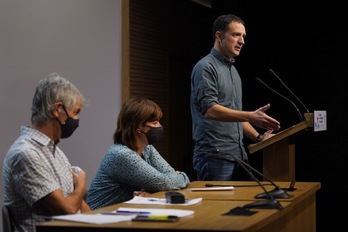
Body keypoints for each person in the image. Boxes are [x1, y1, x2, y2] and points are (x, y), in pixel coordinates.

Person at [190, 14, 281, 181]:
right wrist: (251, 116)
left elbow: (234, 114)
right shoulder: (205, 67)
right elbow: (210, 110)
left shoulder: (234, 71)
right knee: (218, 207)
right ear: (219, 36)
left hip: (238, 155)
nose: (242, 41)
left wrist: (259, 138)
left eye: (243, 36)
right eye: (236, 35)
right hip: (215, 156)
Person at [3, 73, 90, 232]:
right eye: (76, 112)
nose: (77, 120)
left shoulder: (54, 150)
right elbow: (68, 211)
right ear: (58, 110)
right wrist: (81, 185)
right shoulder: (26, 153)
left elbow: (79, 207)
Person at [86, 97, 190, 210]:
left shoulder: (147, 149)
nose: (160, 126)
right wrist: (182, 176)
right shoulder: (121, 154)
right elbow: (164, 183)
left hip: (122, 214)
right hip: (98, 217)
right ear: (139, 127)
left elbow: (167, 176)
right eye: (155, 122)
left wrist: (152, 188)